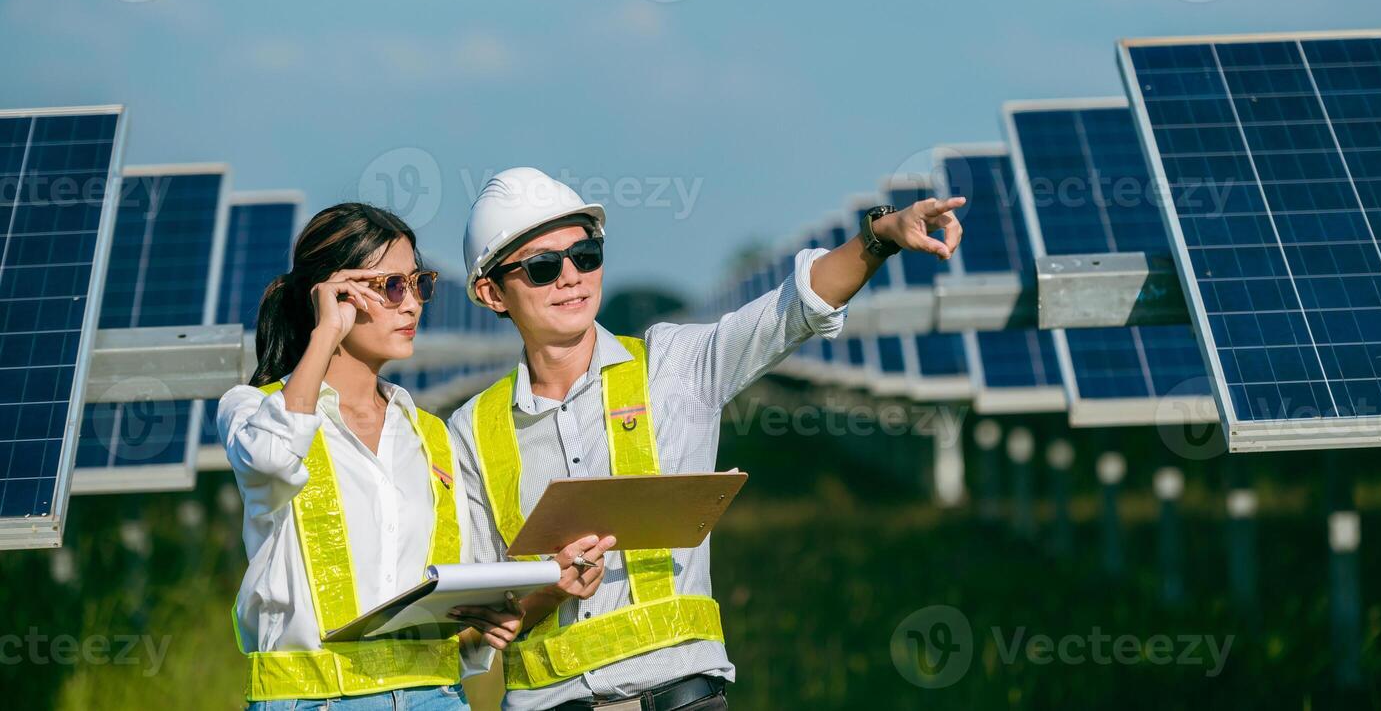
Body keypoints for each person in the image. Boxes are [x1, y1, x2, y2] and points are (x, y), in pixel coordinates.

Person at [448, 167, 964, 711]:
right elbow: (478, 616)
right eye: (543, 266)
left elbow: (790, 311)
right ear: (491, 292)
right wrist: (550, 587)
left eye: (586, 255)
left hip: (681, 699)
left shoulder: (672, 367)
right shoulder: (470, 430)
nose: (571, 276)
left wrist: (877, 238)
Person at [218, 202, 521, 709]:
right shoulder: (253, 410)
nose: (413, 305)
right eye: (390, 286)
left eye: (418, 283)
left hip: (436, 698)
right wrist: (325, 334)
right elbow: (272, 459)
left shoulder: (431, 435)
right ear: (332, 295)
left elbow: (454, 585)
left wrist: (485, 618)